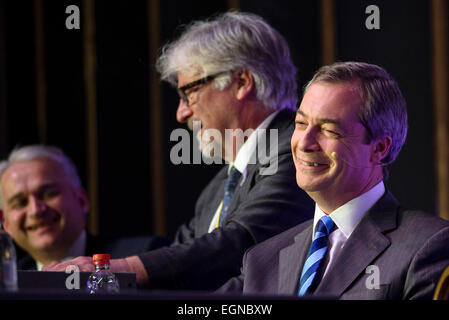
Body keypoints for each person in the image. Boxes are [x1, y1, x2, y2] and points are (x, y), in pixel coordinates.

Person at [43, 11, 314, 290]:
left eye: (189, 93)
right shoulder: (219, 186)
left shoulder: (296, 149)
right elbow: (181, 255)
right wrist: (104, 274)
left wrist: (118, 269)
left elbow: (243, 243)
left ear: (242, 82)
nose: (181, 113)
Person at [218, 61, 449, 299]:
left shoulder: (428, 245)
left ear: (379, 148)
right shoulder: (262, 260)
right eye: (301, 124)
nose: (304, 143)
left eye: (329, 130)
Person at [0, 145, 168, 270]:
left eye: (48, 194)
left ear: (81, 200)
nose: (36, 210)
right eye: (20, 203)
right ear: (5, 223)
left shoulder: (143, 256)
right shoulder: (9, 281)